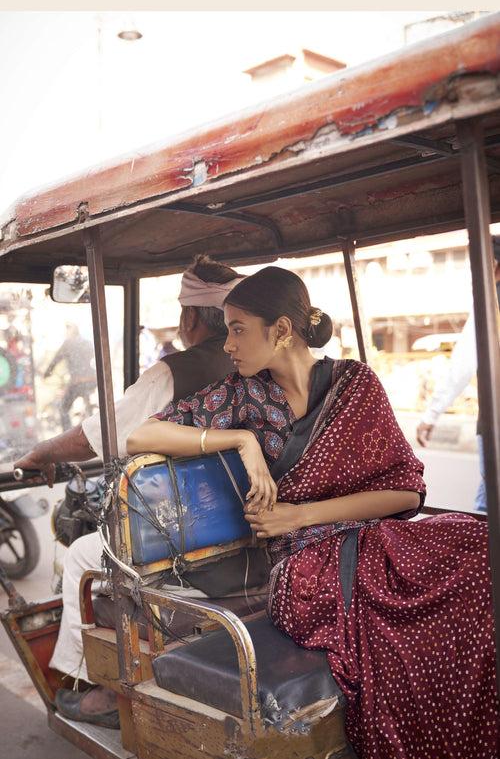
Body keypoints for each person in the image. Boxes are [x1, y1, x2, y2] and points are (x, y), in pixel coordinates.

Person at [128, 266, 499, 759]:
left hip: (365, 540)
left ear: (281, 330)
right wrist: (239, 440)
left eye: (238, 329)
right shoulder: (241, 397)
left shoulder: (355, 385)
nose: (229, 344)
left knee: (481, 550)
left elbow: (406, 494)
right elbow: (141, 435)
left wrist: (300, 514)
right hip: (301, 573)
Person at [14, 255, 271, 728]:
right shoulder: (258, 369)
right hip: (251, 532)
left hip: (191, 540)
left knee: (82, 556)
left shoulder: (173, 373)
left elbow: (101, 436)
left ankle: (97, 687)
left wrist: (40, 453)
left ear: (190, 317)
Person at [416, 235, 500, 512]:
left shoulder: (490, 305)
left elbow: (463, 364)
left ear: (494, 267)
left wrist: (430, 415)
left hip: (495, 422)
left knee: (487, 508)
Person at [44, 323, 97, 430]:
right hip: (93, 381)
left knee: (63, 408)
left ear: (70, 332)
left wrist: (47, 373)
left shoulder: (68, 344)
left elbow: (56, 360)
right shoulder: (88, 343)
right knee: (87, 403)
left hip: (78, 382)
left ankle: (66, 433)